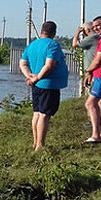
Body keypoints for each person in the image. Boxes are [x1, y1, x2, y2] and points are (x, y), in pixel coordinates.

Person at [19, 21, 69, 151]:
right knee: (44, 115)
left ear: (41, 31)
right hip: (48, 85)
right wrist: (37, 78)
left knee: (37, 113)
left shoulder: (32, 45)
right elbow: (49, 65)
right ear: (54, 32)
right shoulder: (53, 45)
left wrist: (29, 76)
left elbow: (23, 63)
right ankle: (40, 145)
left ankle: (36, 143)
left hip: (36, 85)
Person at [83, 16, 101, 143]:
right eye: (93, 27)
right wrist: (91, 73)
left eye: (98, 25)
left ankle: (96, 135)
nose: (95, 28)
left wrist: (89, 71)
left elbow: (98, 59)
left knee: (90, 104)